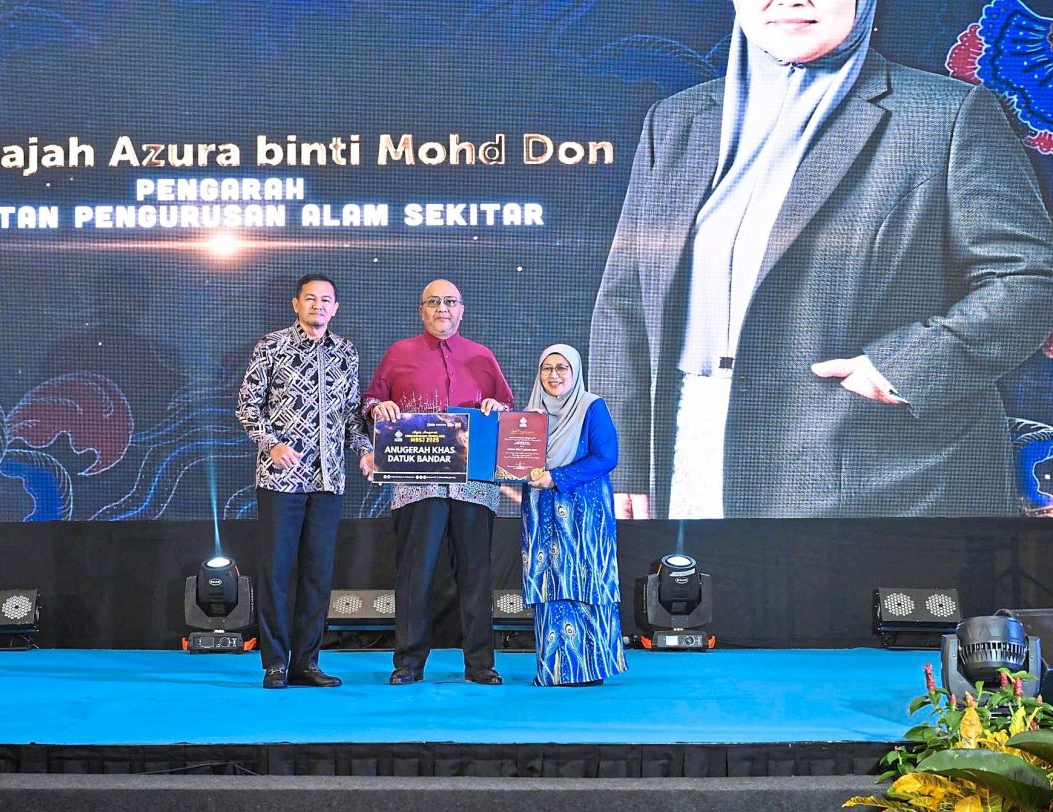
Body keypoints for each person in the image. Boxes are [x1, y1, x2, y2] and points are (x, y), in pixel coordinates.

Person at [591, 0, 1053, 519]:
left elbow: (1028, 280)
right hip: (686, 448)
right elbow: (625, 301)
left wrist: (901, 368)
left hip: (879, 466)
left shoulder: (948, 115)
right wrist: (621, 456)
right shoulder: (674, 121)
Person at [362, 279, 514, 685]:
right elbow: (370, 403)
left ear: (461, 310)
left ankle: (480, 664)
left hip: (473, 485)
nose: (442, 308)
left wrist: (495, 407)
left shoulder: (482, 356)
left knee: (477, 575)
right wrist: (381, 407)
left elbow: (508, 410)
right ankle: (408, 663)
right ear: (421, 310)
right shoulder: (399, 354)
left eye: (449, 302)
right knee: (416, 574)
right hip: (417, 482)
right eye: (433, 302)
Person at [236, 274, 373, 689]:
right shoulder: (271, 346)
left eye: (326, 299)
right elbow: (247, 406)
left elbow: (351, 417)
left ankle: (306, 663)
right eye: (310, 299)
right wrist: (271, 444)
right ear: (296, 304)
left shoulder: (346, 353)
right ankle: (275, 663)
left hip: (329, 481)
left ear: (336, 308)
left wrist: (366, 450)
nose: (318, 305)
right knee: (277, 572)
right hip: (281, 480)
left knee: (317, 574)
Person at [523, 345, 628, 687]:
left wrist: (558, 477)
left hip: (585, 510)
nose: (554, 375)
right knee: (550, 583)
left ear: (575, 372)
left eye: (562, 368)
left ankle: (591, 668)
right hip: (542, 510)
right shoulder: (529, 414)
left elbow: (606, 456)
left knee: (586, 581)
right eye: (547, 368)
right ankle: (553, 670)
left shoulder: (591, 406)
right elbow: (514, 459)